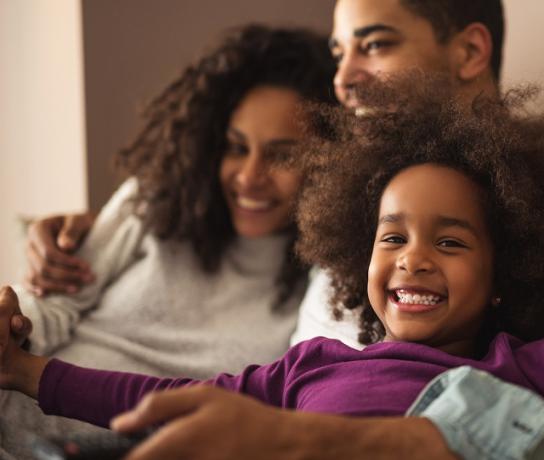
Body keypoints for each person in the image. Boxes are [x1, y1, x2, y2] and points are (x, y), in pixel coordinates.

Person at [1, 63, 544, 455]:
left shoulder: (517, 372)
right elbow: (163, 397)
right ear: (360, 255)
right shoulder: (306, 365)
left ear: (502, 278)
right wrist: (27, 373)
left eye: (450, 242)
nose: (414, 259)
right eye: (392, 237)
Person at [0, 24, 337, 459]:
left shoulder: (324, 284)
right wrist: (13, 326)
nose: (250, 177)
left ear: (330, 162)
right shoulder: (157, 203)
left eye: (282, 155)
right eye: (236, 148)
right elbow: (53, 306)